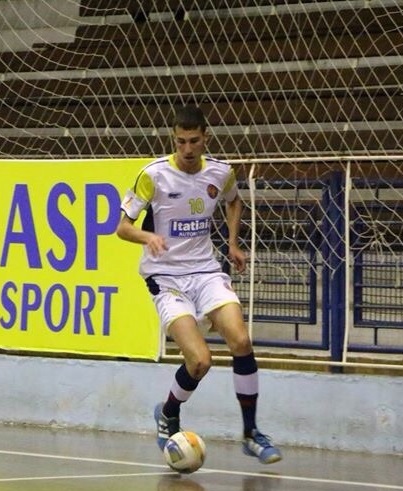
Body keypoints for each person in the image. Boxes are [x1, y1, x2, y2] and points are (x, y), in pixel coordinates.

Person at [116, 104, 282, 465]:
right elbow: (122, 227)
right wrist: (148, 237)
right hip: (167, 277)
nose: (187, 149)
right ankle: (169, 412)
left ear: (205, 137)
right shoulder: (153, 175)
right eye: (180, 142)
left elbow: (234, 202)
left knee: (240, 340)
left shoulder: (221, 172)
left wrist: (234, 243)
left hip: (206, 271)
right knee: (200, 361)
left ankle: (251, 434)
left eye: (193, 141)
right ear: (173, 140)